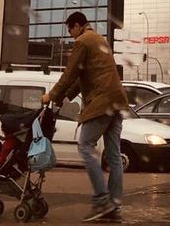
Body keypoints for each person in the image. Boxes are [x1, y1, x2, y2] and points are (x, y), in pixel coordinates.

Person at [41, 12, 129, 222]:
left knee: (84, 146)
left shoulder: (83, 41)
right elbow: (84, 76)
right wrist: (66, 97)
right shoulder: (100, 40)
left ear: (78, 25)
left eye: (70, 31)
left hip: (102, 102)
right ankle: (114, 205)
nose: (71, 36)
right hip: (117, 101)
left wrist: (51, 96)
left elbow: (69, 73)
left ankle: (102, 200)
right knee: (114, 155)